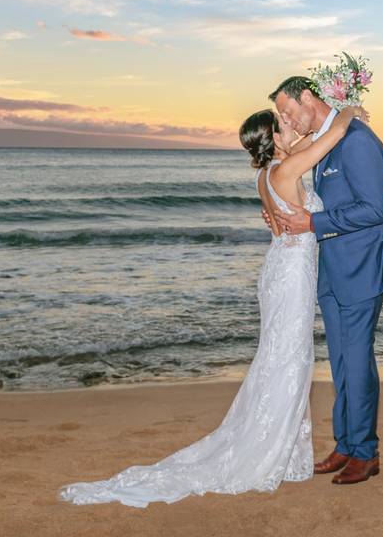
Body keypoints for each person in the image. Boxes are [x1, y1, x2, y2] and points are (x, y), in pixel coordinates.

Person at [56, 104, 366, 507]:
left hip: (280, 270)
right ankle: (269, 450)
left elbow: (304, 145)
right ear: (273, 138)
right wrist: (348, 108)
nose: (291, 126)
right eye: (284, 125)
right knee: (288, 359)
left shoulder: (266, 175)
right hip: (290, 278)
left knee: (282, 358)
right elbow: (332, 137)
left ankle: (284, 448)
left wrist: (296, 134)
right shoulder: (287, 171)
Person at [267, 76, 383, 485]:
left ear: (308, 97)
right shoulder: (324, 141)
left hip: (360, 270)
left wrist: (313, 222)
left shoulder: (356, 140)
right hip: (331, 270)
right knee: (341, 363)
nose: (287, 120)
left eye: (288, 111)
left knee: (357, 362)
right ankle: (345, 443)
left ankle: (365, 452)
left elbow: (374, 209)